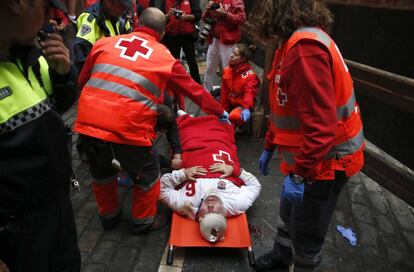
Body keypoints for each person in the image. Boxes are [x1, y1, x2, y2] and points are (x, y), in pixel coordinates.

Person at [74, 7, 229, 235]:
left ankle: (109, 217)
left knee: (102, 174)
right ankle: (143, 221)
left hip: (88, 125)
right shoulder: (164, 57)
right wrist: (220, 112)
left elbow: (81, 80)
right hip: (129, 130)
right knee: (148, 176)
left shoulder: (104, 43)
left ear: (137, 24)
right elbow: (194, 90)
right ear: (163, 33)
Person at [249, 0, 365, 271]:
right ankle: (281, 256)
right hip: (310, 156)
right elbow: (284, 104)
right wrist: (269, 145)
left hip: (326, 161)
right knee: (288, 213)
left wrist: (300, 174)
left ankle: (302, 264)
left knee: (307, 229)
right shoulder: (291, 43)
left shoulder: (304, 50)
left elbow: (322, 129)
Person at [0, 0, 80, 271]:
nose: (51, 20)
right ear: (17, 4)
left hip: (57, 210)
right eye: (46, 9)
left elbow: (56, 109)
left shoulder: (35, 50)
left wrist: (63, 75)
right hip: (15, 236)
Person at [160, 113, 261, 242]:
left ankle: (187, 118)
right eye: (217, 212)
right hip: (220, 149)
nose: (211, 206)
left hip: (193, 151)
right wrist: (235, 171)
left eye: (206, 212)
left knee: (186, 131)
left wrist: (183, 174)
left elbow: (162, 189)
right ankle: (220, 120)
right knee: (222, 131)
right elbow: (255, 185)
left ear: (199, 217)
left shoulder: (185, 204)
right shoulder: (237, 204)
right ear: (224, 216)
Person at [73, 0, 133, 70]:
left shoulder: (122, 17)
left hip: (116, 67)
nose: (124, 9)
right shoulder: (91, 19)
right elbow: (82, 57)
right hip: (99, 71)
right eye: (121, 5)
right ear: (108, 2)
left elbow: (130, 41)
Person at [201, 0, 246, 92]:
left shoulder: (235, 1)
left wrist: (225, 14)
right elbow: (204, 19)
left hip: (228, 42)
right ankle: (205, 94)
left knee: (228, 70)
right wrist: (207, 10)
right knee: (209, 68)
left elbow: (241, 19)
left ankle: (227, 96)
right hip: (213, 40)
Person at [219, 43, 259, 127]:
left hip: (242, 106)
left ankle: (243, 125)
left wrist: (246, 108)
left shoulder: (250, 75)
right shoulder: (227, 70)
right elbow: (224, 92)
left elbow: (249, 93)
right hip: (230, 103)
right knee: (215, 110)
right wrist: (223, 110)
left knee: (234, 116)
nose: (231, 55)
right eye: (232, 52)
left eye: (235, 54)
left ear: (243, 59)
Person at [162, 0, 202, 83]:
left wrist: (186, 17)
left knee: (191, 61)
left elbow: (198, 15)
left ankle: (197, 84)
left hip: (187, 35)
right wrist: (168, 16)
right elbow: (159, 17)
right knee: (173, 62)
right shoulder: (163, 1)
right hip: (171, 35)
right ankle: (174, 85)